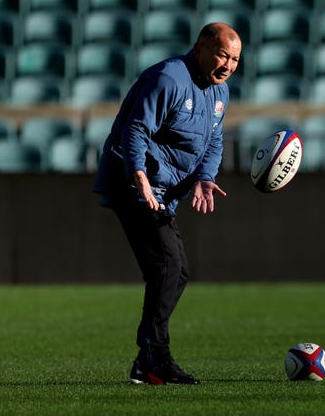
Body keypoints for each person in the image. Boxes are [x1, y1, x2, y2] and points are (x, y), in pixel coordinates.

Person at [93, 22, 242, 385]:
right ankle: (153, 358)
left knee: (173, 271)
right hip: (135, 183)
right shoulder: (169, 79)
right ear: (201, 47)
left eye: (235, 59)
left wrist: (206, 176)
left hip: (162, 190)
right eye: (222, 54)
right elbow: (135, 129)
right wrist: (138, 175)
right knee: (168, 268)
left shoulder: (219, 93)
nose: (227, 65)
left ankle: (149, 358)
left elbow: (214, 139)